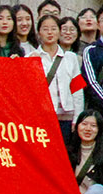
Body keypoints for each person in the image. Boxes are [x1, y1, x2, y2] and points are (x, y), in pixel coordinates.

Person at [30, 15, 81, 145]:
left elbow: (77, 90)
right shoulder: (31, 57)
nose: (50, 32)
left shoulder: (71, 58)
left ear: (59, 32)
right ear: (39, 33)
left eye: (53, 28)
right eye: (45, 29)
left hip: (66, 117)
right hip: (42, 118)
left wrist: (77, 118)